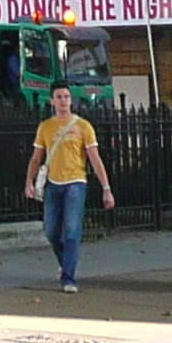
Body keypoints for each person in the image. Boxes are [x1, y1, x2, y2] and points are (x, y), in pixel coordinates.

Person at [23, 82, 114, 291]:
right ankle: (65, 263)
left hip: (76, 181)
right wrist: (29, 180)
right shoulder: (46, 127)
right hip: (53, 183)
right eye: (59, 97)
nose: (63, 101)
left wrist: (106, 188)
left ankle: (68, 278)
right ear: (52, 101)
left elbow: (95, 158)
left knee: (72, 230)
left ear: (71, 100)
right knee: (51, 230)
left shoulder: (83, 126)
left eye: (66, 97)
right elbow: (37, 158)